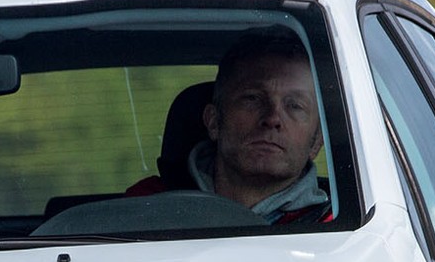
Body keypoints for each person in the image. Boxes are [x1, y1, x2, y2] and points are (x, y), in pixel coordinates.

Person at [130, 31, 334, 227]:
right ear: (214, 122)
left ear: (316, 142)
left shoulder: (342, 231)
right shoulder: (146, 207)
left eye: (295, 105)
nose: (272, 118)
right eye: (253, 99)